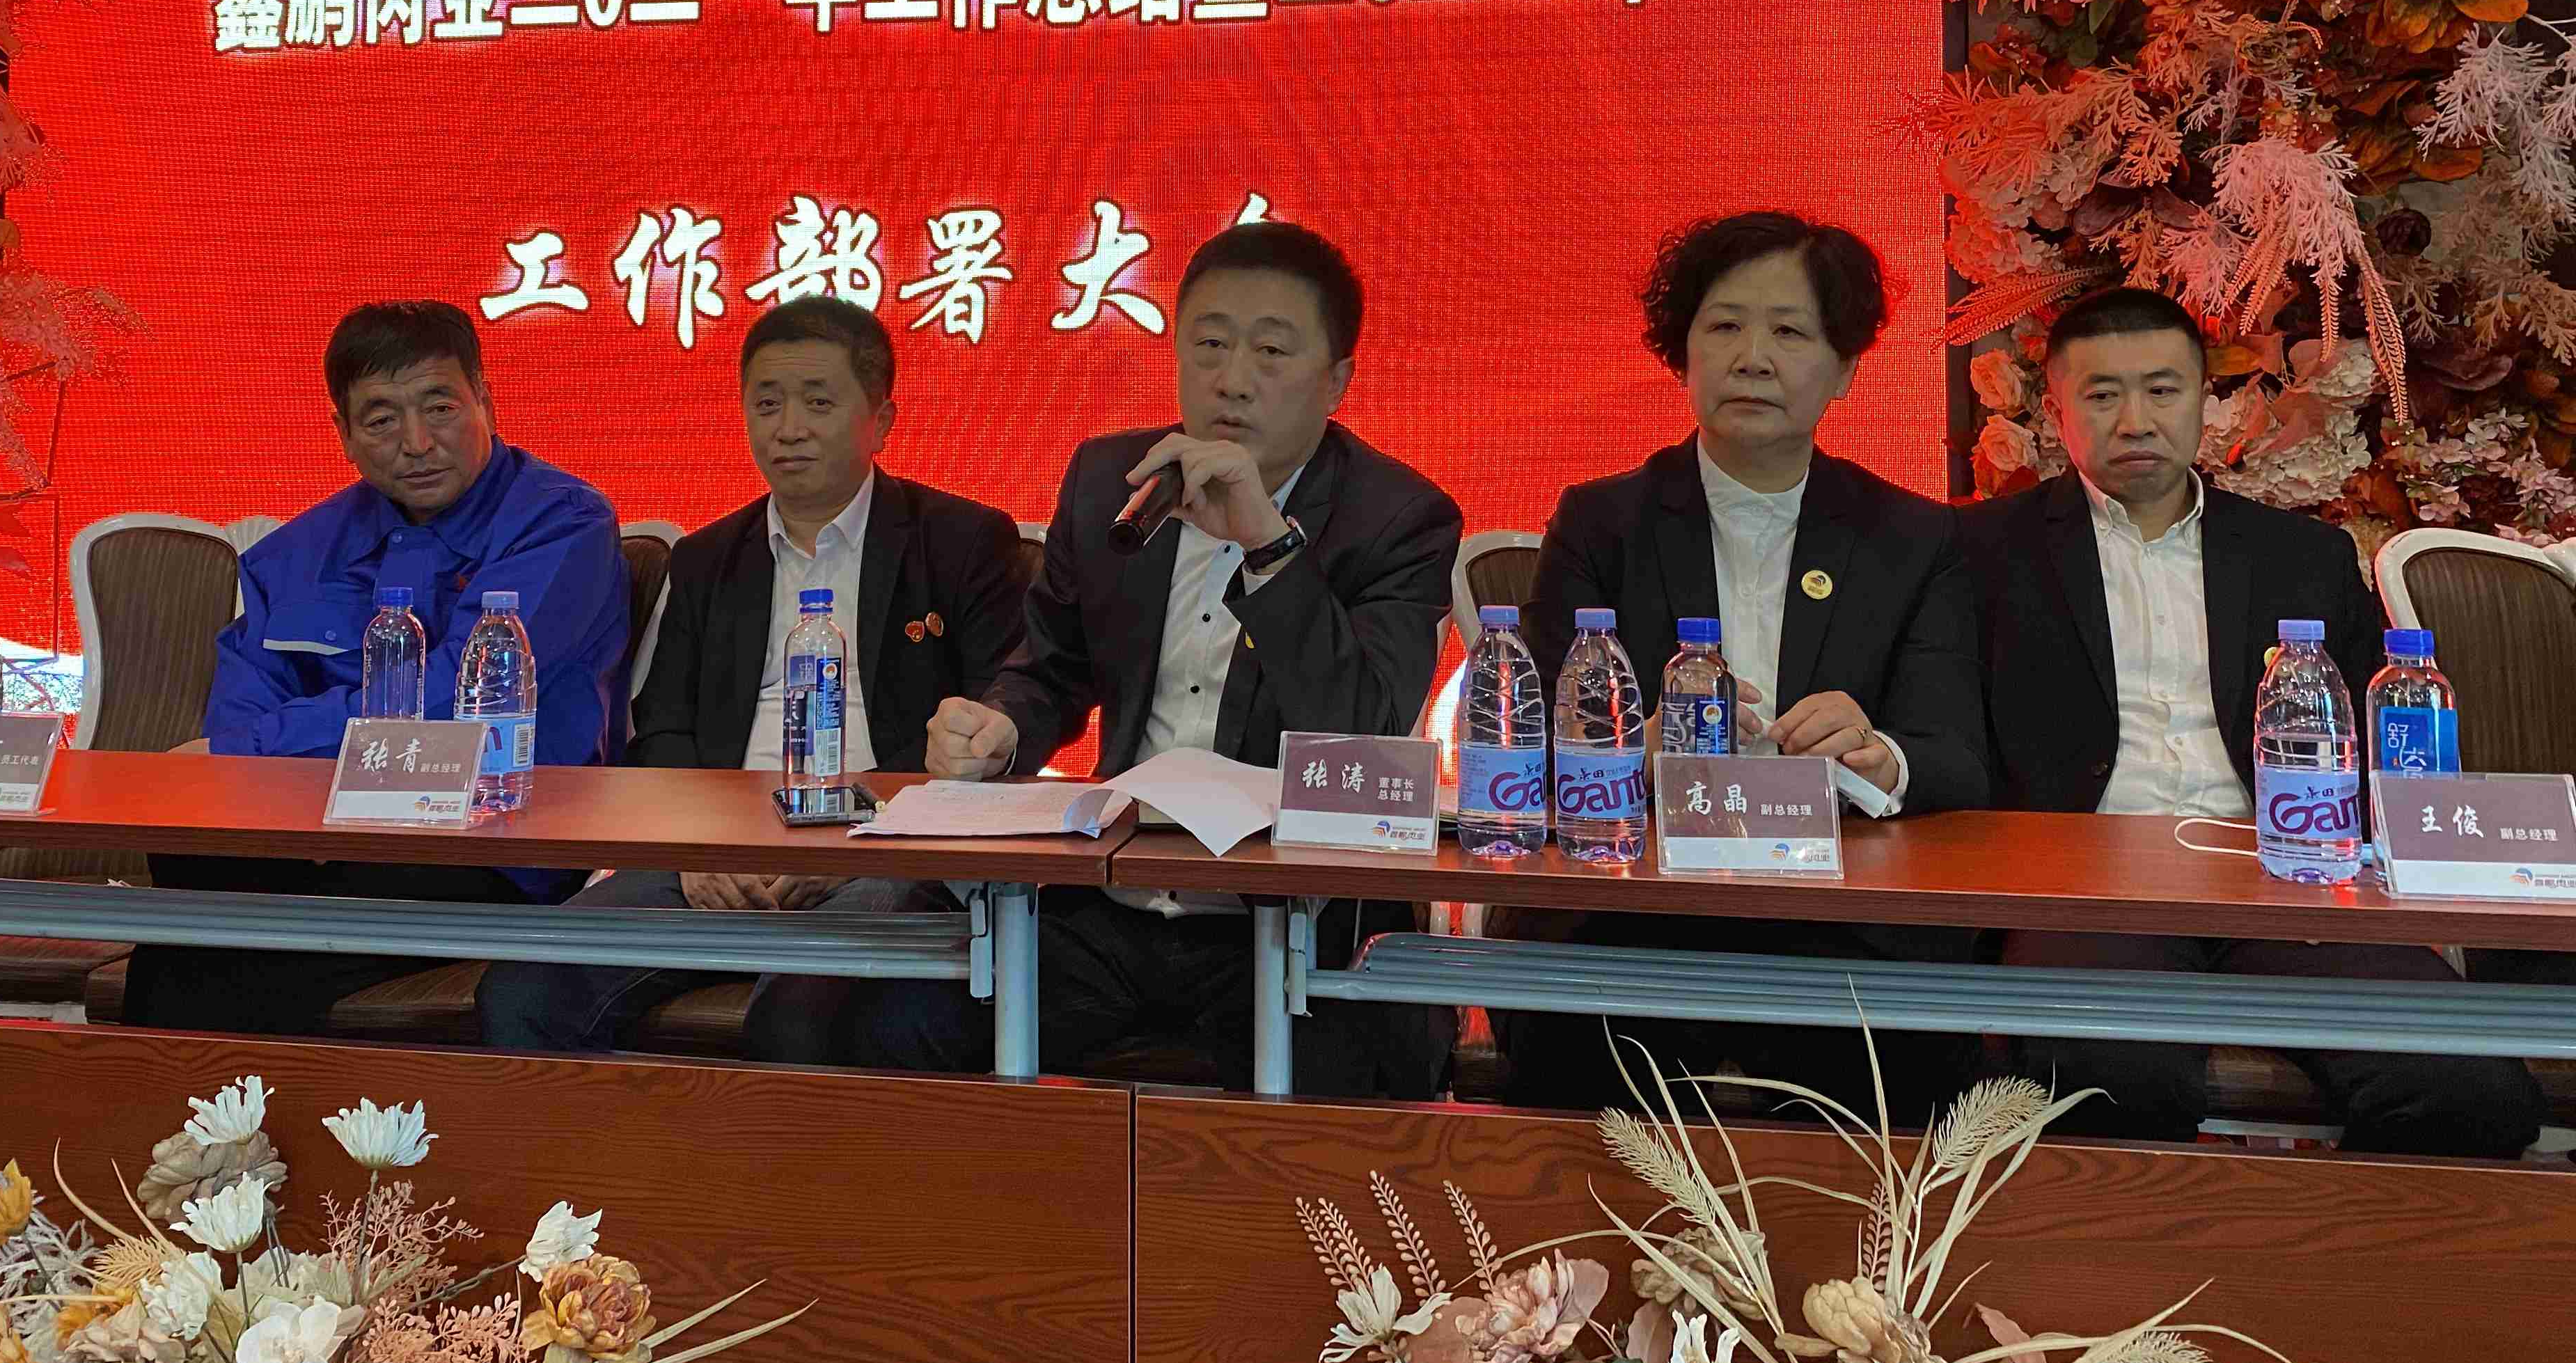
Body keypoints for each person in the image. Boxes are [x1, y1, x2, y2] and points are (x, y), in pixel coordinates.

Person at [851, 220, 1463, 1095]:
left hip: (1293, 910)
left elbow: (1364, 730)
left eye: (1270, 352)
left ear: (1337, 382)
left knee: (1362, 1069)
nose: (1232, 379)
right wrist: (1001, 729)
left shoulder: (1399, 518)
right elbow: (1050, 669)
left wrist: (1267, 544)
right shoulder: (1115, 481)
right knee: (875, 1017)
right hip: (1113, 898)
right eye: (1209, 344)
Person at [1963, 283, 2542, 1156]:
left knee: (2465, 1082)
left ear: (2204, 398)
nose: (2135, 420)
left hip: (2284, 882)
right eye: (2102, 394)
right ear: (2056, 412)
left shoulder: (2300, 556)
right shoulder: (1982, 552)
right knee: (2107, 1073)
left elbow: (2379, 749)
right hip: (2086, 889)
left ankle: (2331, 1244)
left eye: (2163, 390)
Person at [1499, 211, 1989, 1118]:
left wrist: (1879, 755)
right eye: (1724, 326)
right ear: (1682, 352)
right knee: (1575, 1031)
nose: (1752, 358)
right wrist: (1631, 751)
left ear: (1845, 368)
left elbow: (1956, 752)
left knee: (1901, 1048)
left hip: (1840, 910)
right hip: (1639, 910)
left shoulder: (1913, 537)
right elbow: (1532, 746)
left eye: (1790, 333)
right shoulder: (1604, 522)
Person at [477, 298, 1030, 1062]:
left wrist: (847, 843)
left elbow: (994, 730)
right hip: (720, 850)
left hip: (885, 851)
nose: (788, 428)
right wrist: (699, 850)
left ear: (881, 421)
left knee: (807, 1009)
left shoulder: (964, 541)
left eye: (818, 403)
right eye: (767, 405)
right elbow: (663, 729)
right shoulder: (708, 559)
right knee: (526, 989)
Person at [123, 300, 631, 1037]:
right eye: (382, 420)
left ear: (485, 402)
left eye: (440, 407)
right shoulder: (295, 553)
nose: (417, 443)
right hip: (314, 839)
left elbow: (458, 701)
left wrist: (269, 751)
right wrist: (269, 775)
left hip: (488, 843)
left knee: (207, 968)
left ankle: (236, 1109)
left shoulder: (563, 522)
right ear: (344, 435)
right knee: (190, 883)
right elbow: (239, 710)